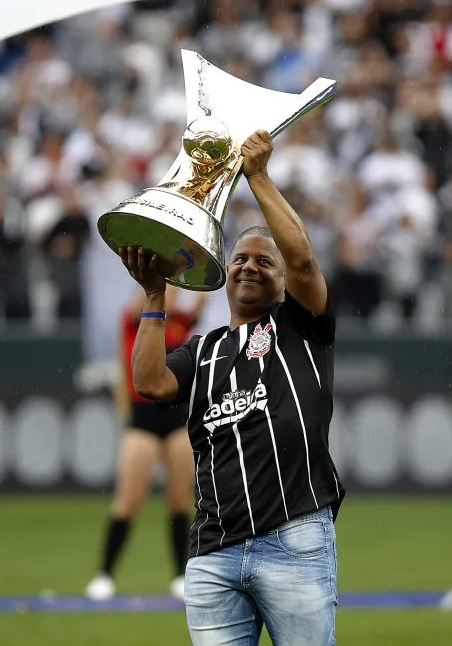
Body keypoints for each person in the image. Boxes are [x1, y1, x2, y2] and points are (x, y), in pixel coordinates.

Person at [118, 130, 345, 645]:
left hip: (294, 537)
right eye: (240, 258)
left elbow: (303, 260)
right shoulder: (203, 350)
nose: (249, 265)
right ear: (224, 273)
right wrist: (155, 294)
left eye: (265, 261)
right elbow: (149, 382)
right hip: (214, 551)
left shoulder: (302, 327)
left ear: (284, 282)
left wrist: (258, 176)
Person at [85, 284, 206, 602]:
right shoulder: (135, 320)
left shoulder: (180, 324)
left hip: (176, 419)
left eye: (175, 291)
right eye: (168, 290)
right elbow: (140, 305)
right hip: (142, 420)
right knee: (128, 501)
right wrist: (155, 288)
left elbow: (199, 304)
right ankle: (104, 574)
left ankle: (180, 575)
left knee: (179, 502)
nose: (173, 295)